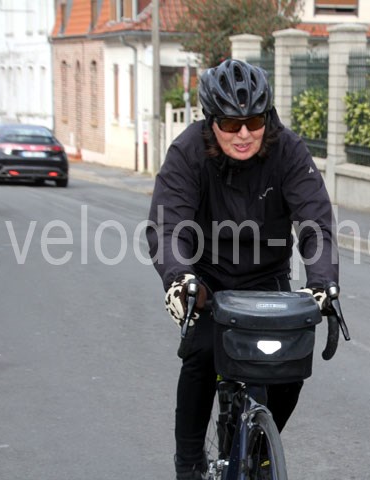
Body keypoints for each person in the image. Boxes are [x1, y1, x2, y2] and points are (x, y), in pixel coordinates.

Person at [146, 59, 340, 480]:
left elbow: (316, 225)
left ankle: (258, 448)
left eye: (254, 121)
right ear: (211, 121)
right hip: (207, 277)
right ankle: (188, 465)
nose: (244, 134)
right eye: (231, 124)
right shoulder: (187, 152)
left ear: (267, 117)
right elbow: (168, 226)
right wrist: (178, 277)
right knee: (202, 353)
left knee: (289, 365)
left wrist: (323, 282)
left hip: (266, 278)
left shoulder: (288, 150)